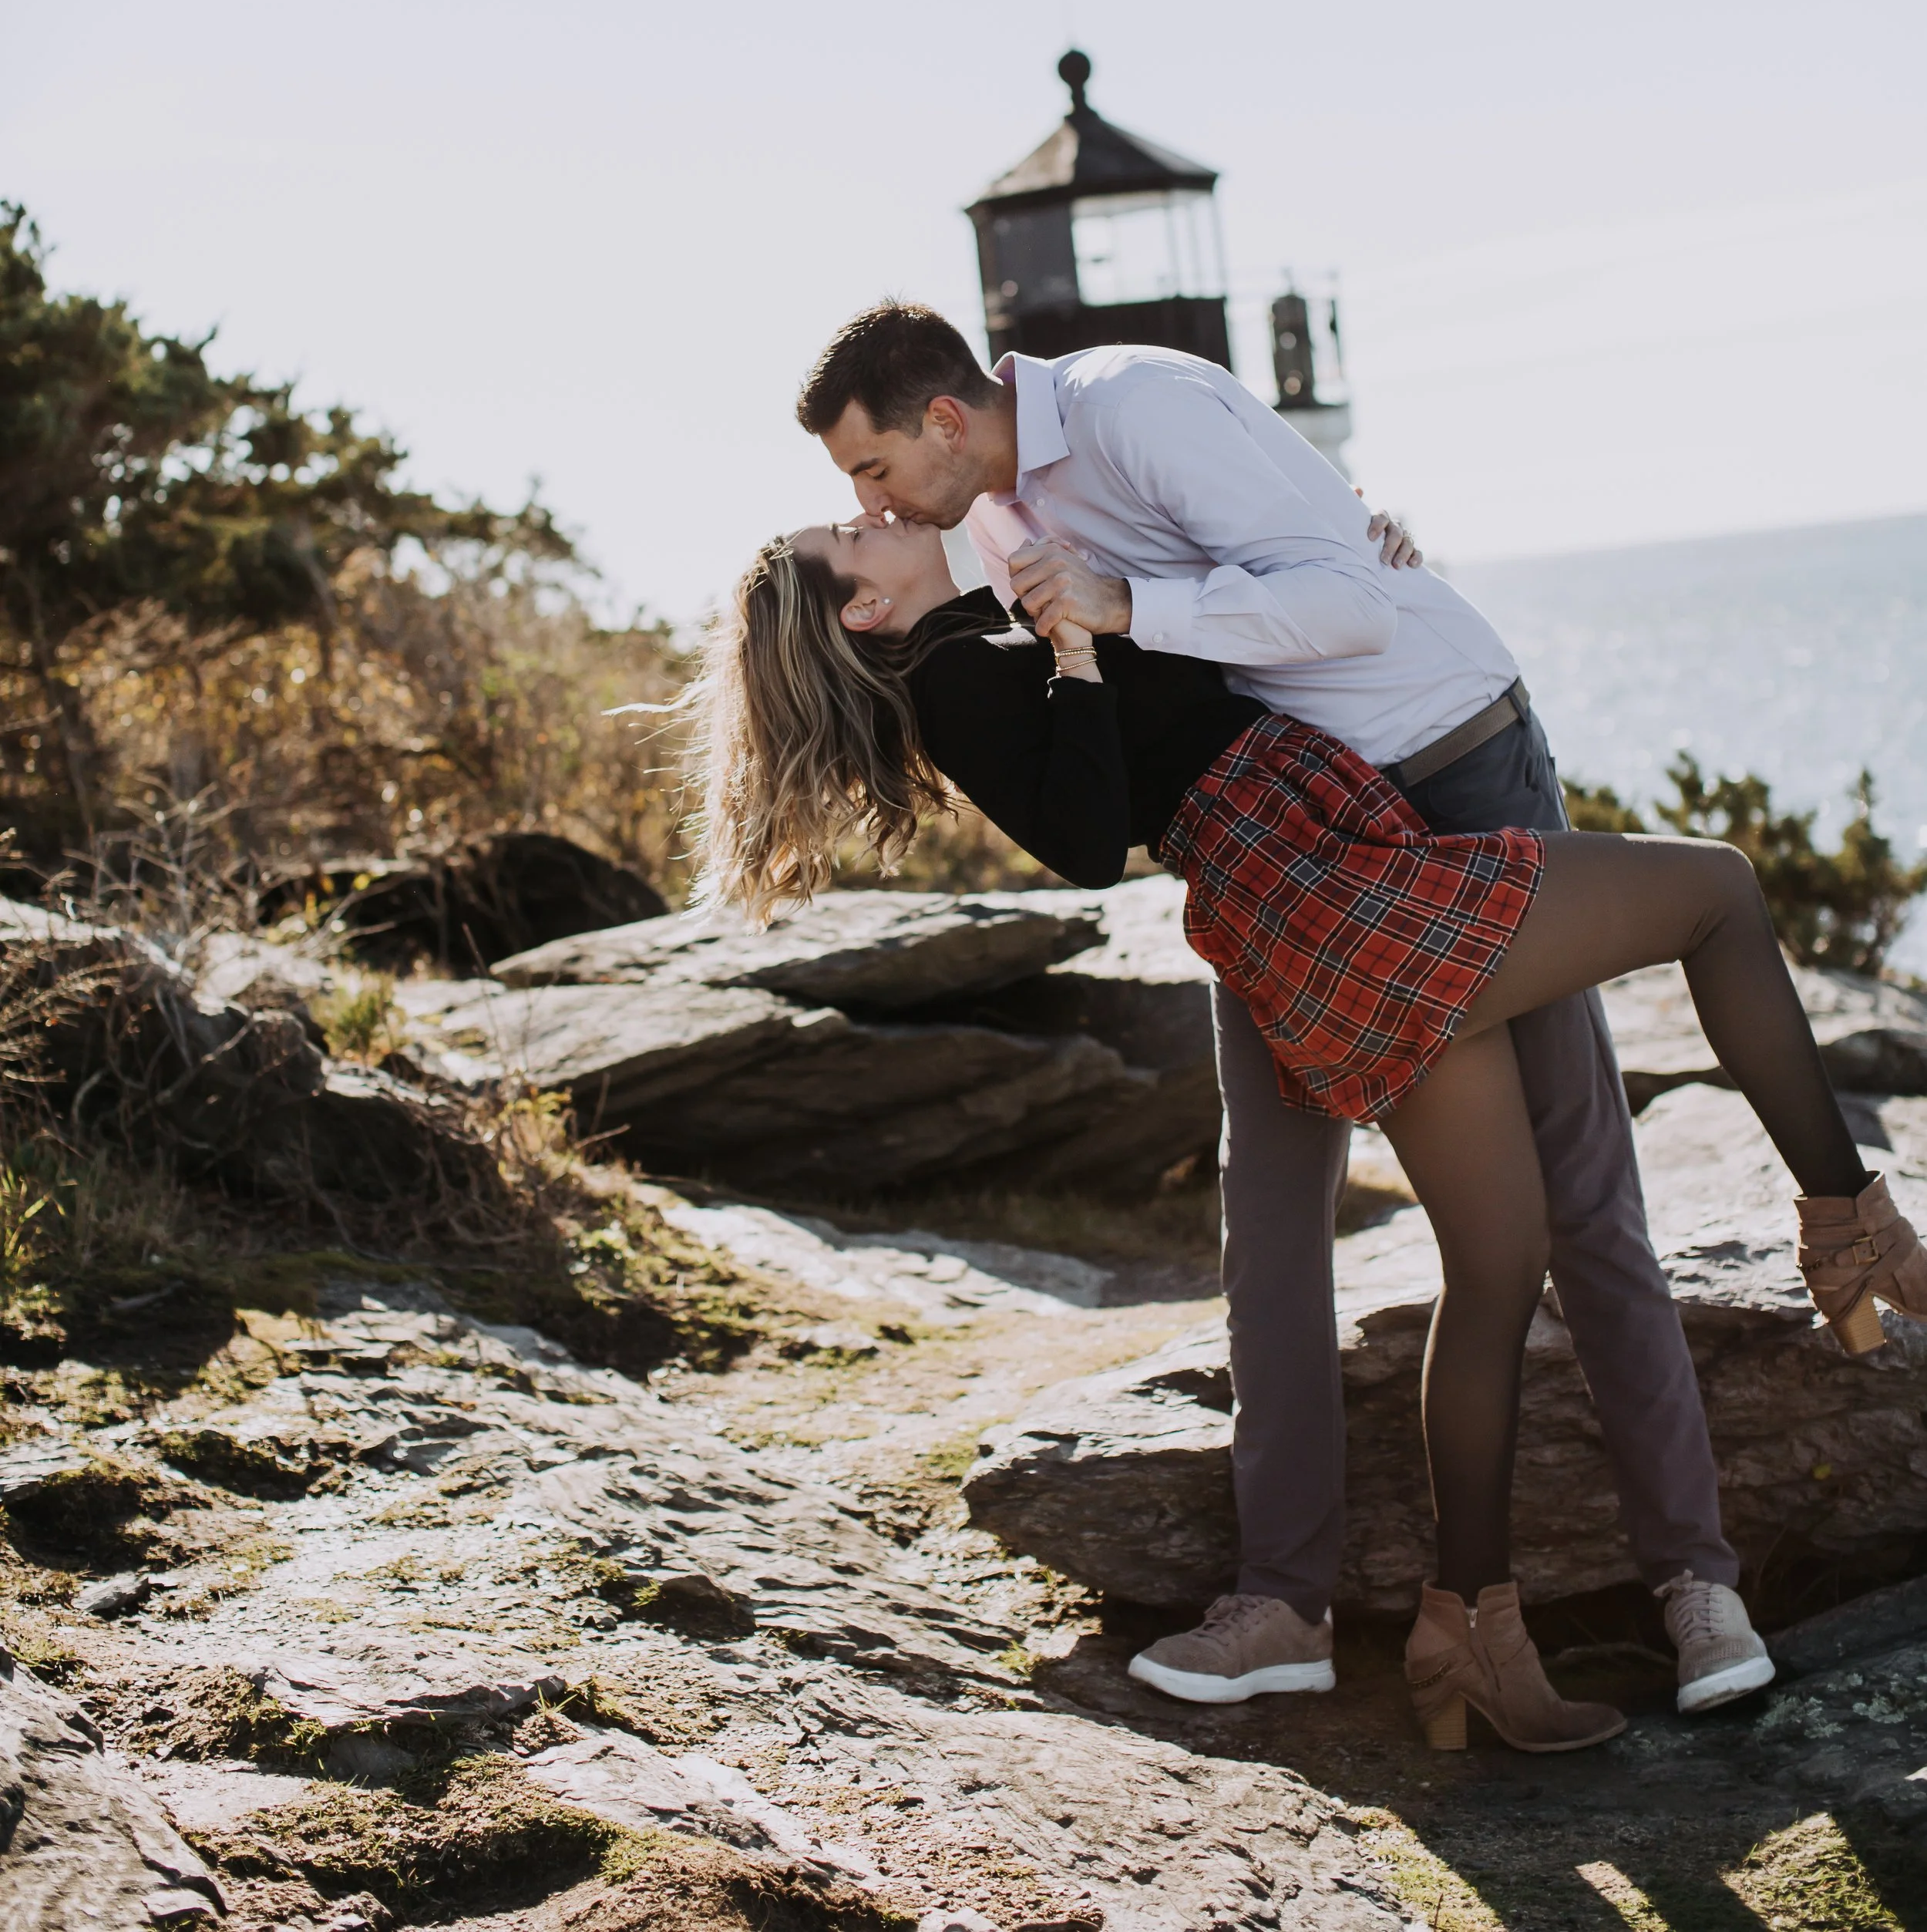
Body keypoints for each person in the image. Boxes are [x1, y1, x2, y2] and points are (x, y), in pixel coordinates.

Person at [698, 503, 1927, 1752]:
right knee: (1714, 892)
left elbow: (1204, 631)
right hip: (1322, 886)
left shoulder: (995, 608)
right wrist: (1074, 647)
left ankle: (1471, 1628)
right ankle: (1848, 1221)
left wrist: (1336, 558)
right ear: (858, 604)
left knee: (1500, 1259)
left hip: (1321, 868)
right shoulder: (962, 672)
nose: (876, 511)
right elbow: (1079, 841)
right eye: (849, 527)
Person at [792, 304, 1767, 1723]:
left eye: (872, 469)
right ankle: (1283, 1602)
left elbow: (1339, 592)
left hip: (1449, 768)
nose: (865, 503)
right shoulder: (995, 539)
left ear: (944, 417)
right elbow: (1125, 730)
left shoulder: (1141, 400)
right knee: (1274, 1213)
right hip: (1287, 853)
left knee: (1582, 1191)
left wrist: (1208, 585)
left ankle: (1696, 1578)